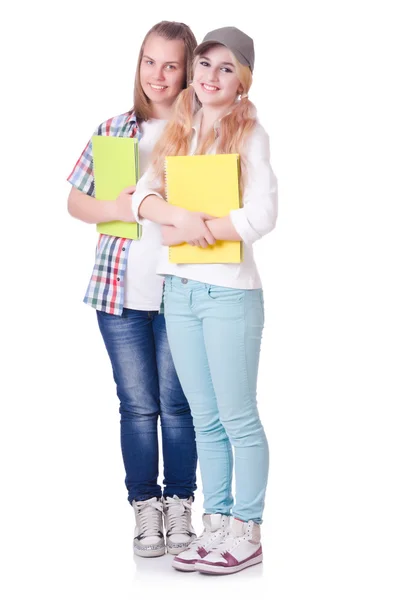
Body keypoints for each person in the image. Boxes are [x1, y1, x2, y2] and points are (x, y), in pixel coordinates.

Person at [130, 26, 278, 574]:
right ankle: (215, 528)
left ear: (242, 82)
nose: (211, 77)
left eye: (226, 69)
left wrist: (198, 230)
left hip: (229, 295)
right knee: (205, 420)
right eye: (205, 65)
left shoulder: (251, 133)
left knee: (239, 417)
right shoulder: (179, 133)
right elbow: (142, 195)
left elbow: (262, 215)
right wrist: (177, 219)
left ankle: (248, 531)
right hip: (181, 292)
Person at [67, 21, 198, 559]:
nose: (158, 75)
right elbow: (76, 202)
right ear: (138, 64)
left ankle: (182, 504)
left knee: (179, 405)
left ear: (188, 69)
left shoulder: (201, 133)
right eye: (150, 61)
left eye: (171, 65)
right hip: (118, 294)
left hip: (185, 291)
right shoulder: (114, 128)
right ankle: (146, 508)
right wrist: (117, 209)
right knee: (137, 406)